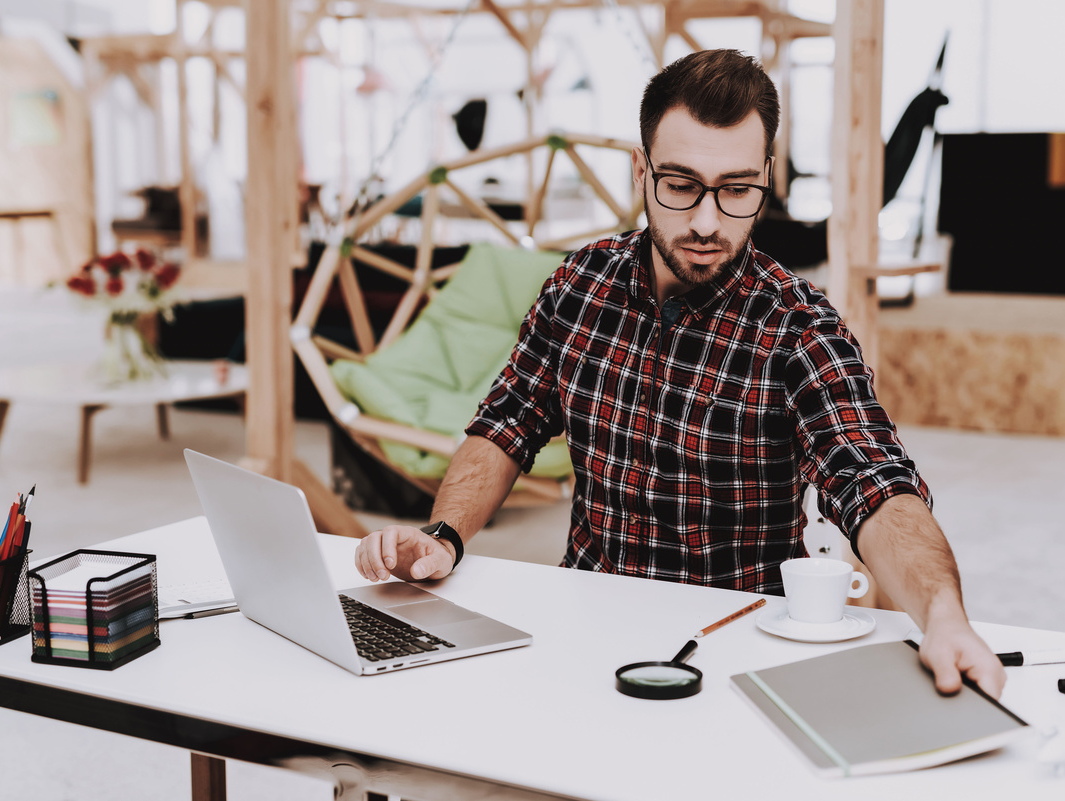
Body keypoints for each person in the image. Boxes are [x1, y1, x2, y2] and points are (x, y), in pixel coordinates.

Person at [354, 49, 1005, 699]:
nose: (705, 220)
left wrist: (944, 617)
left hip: (739, 640)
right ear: (641, 170)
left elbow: (871, 479)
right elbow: (505, 422)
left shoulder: (799, 327)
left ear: (766, 179)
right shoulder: (579, 286)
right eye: (680, 184)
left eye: (737, 189)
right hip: (586, 617)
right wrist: (443, 536)